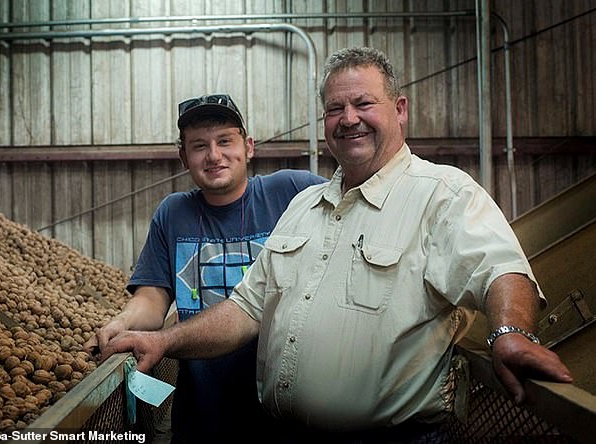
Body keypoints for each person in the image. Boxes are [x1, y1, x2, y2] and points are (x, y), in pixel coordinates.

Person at [97, 48, 573, 442]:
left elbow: (499, 268)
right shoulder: (305, 205)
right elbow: (247, 308)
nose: (349, 120)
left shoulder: (442, 193)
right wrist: (162, 340)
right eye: (334, 109)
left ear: (400, 109)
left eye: (363, 104)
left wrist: (512, 333)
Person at [84, 93, 327, 444]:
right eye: (199, 146)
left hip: (289, 412)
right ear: (184, 156)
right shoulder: (174, 213)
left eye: (225, 141)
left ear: (249, 146)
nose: (214, 155)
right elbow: (153, 296)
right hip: (204, 415)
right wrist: (122, 322)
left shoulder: (292, 191)